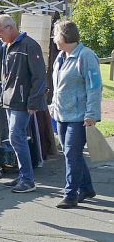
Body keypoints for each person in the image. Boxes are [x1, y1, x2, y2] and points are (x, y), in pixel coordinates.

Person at [49, 21, 102, 209]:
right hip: (62, 115)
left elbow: (94, 87)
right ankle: (86, 188)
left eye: (55, 34)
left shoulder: (85, 56)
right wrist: (53, 108)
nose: (53, 39)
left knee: (72, 154)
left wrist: (91, 114)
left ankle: (70, 194)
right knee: (73, 155)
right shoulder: (61, 57)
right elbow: (59, 88)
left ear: (63, 37)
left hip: (79, 117)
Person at [0, 14, 47, 193]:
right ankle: (24, 175)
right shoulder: (6, 46)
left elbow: (39, 77)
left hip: (22, 102)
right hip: (10, 100)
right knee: (16, 138)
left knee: (17, 137)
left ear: (10, 27)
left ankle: (28, 179)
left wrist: (33, 102)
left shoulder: (30, 45)